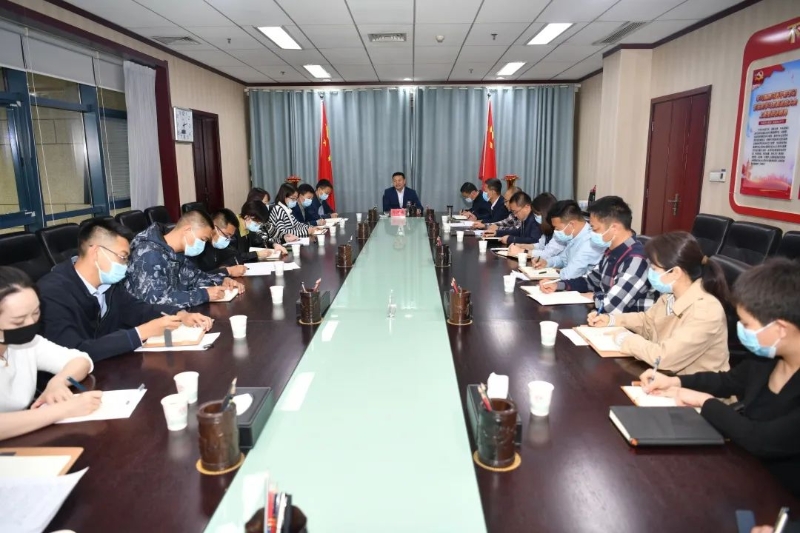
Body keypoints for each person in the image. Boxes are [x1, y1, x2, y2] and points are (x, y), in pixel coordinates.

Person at [641, 258, 800, 497]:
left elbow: (762, 440)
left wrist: (704, 401)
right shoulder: (768, 359)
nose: (741, 330)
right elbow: (727, 381)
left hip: (782, 493)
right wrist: (676, 382)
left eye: (747, 324)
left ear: (780, 329)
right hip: (743, 468)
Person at [38, 219, 213, 362]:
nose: (126, 265)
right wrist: (141, 332)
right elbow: (75, 353)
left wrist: (179, 314)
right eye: (123, 257)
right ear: (96, 252)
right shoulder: (52, 293)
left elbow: (138, 309)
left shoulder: (108, 285)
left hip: (110, 368)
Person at [589, 231, 729, 374]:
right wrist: (611, 320)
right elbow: (648, 322)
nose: (650, 272)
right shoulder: (670, 296)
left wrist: (626, 339)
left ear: (675, 272)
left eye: (654, 269)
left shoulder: (705, 311)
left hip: (692, 385)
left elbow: (664, 358)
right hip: (664, 377)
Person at [0, 266, 102, 441]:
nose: (31, 323)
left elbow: (81, 360)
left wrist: (58, 382)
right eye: (18, 321)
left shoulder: (27, 343)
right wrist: (63, 410)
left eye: (36, 313)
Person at [542, 196, 654, 314]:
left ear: (614, 228)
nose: (591, 233)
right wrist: (559, 285)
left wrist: (594, 296)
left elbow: (612, 305)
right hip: (604, 317)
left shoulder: (635, 259)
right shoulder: (611, 251)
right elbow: (591, 281)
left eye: (595, 229)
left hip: (626, 322)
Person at [124, 210, 243, 308]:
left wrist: (222, 280)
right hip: (145, 322)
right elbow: (156, 299)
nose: (203, 244)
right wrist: (204, 295)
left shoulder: (176, 251)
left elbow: (194, 277)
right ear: (187, 230)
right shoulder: (149, 254)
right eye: (202, 239)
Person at [196, 209, 284, 276]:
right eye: (227, 235)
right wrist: (227, 271)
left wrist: (225, 267)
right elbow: (197, 277)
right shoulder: (198, 248)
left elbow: (234, 256)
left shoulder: (219, 245)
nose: (228, 239)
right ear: (215, 228)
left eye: (230, 236)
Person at [532, 199, 603, 280]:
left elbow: (569, 274)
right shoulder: (574, 236)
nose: (555, 232)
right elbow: (563, 259)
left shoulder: (590, 243)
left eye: (557, 228)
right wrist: (546, 262)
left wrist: (552, 271)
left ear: (571, 224)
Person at [508, 193, 564, 261]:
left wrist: (523, 251)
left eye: (536, 215)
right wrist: (522, 246)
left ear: (545, 213)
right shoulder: (547, 229)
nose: (535, 218)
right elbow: (540, 245)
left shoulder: (560, 231)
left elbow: (547, 254)